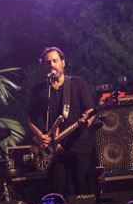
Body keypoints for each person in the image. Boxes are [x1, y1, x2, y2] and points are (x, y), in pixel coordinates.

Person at [27, 47, 95, 195]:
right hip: (53, 149)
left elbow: (90, 111)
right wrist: (40, 136)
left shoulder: (78, 84)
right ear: (44, 66)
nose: (51, 64)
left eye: (55, 61)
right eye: (47, 62)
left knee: (82, 188)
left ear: (63, 63)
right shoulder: (40, 90)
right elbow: (31, 119)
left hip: (78, 145)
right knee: (58, 192)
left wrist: (86, 123)